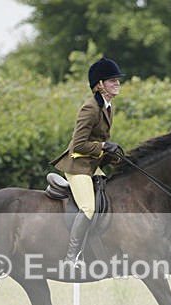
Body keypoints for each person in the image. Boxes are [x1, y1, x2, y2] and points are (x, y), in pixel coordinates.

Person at [50, 57, 126, 268]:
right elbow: (79, 145)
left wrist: (117, 157)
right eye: (112, 80)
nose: (117, 83)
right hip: (78, 166)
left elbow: (101, 141)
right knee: (88, 208)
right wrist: (103, 147)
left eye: (117, 79)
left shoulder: (109, 107)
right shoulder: (90, 108)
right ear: (100, 84)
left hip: (92, 165)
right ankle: (71, 257)